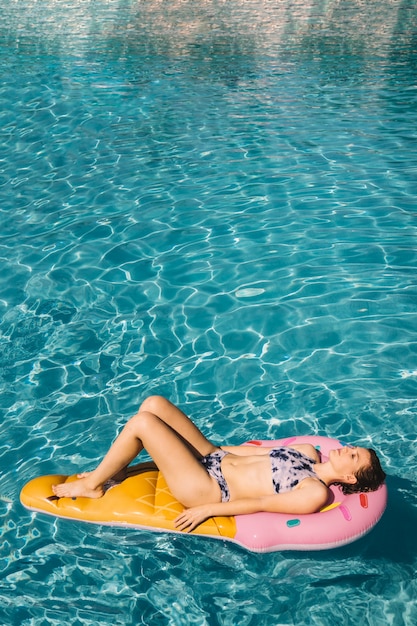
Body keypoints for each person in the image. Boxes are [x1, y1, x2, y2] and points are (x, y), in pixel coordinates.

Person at [52, 395, 386, 531]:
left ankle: (92, 484)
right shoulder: (308, 452)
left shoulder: (314, 492)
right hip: (217, 459)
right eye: (355, 447)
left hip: (209, 489)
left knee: (143, 424)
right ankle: (120, 467)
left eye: (354, 456)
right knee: (153, 404)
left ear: (351, 479)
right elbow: (249, 453)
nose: (349, 448)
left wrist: (207, 510)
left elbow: (259, 502)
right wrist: (201, 447)